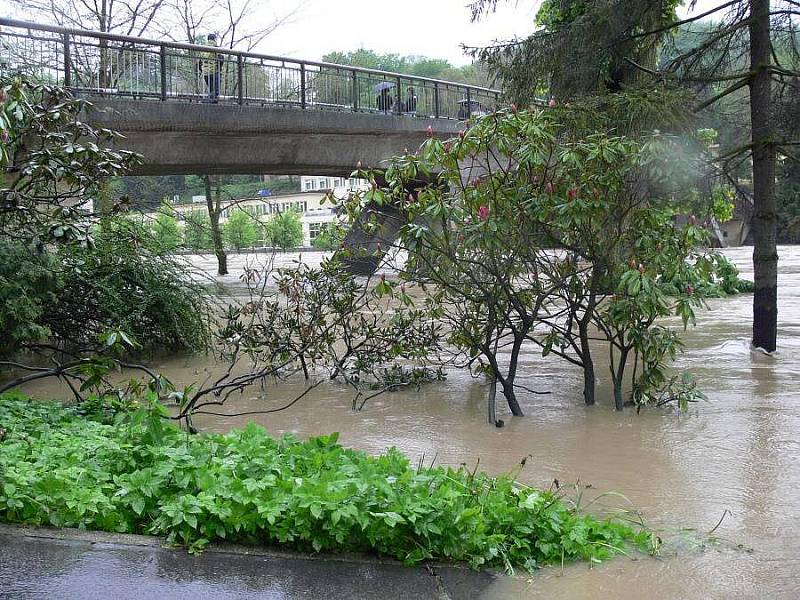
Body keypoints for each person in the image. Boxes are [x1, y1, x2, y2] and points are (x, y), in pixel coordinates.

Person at [199, 33, 223, 103]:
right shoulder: (216, 47)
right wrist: (219, 68)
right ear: (215, 39)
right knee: (215, 92)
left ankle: (211, 106)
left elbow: (199, 62)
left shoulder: (202, 48)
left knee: (212, 90)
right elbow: (221, 59)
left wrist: (202, 70)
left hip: (206, 73)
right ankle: (205, 103)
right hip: (214, 72)